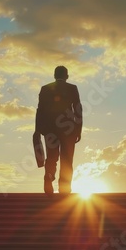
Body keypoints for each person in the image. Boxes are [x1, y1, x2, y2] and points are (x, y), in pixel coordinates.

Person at [34, 66, 82, 194]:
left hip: (50, 129)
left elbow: (40, 110)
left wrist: (38, 129)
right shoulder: (72, 88)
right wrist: (78, 129)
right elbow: (78, 109)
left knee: (51, 157)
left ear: (54, 75)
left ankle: (49, 175)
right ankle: (64, 189)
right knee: (67, 159)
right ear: (67, 76)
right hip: (68, 129)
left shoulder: (45, 89)